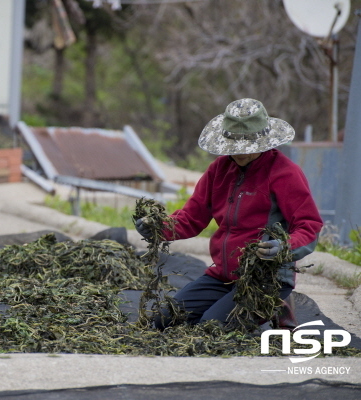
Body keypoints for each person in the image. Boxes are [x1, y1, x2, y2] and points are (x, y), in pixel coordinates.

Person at [135, 98, 323, 331]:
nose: (239, 153)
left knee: (211, 327)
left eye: (247, 147)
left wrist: (284, 247)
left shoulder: (285, 173)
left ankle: (276, 303)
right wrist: (157, 227)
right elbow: (191, 218)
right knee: (163, 320)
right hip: (222, 276)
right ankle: (256, 308)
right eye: (233, 145)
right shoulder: (219, 170)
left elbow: (309, 225)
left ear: (263, 141)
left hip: (264, 279)